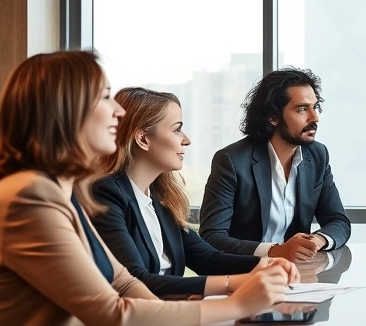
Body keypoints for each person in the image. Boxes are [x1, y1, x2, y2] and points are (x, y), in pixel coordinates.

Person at [0, 51, 298, 326]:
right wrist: (236, 305)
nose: (118, 112)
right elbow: (113, 315)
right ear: (65, 109)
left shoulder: (59, 191)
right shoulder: (28, 199)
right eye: (105, 97)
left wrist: (203, 315)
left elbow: (121, 280)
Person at [92, 87, 278, 299]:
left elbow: (205, 258)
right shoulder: (105, 194)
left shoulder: (161, 198)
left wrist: (268, 263)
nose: (186, 140)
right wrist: (230, 283)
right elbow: (134, 280)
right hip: (142, 324)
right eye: (177, 129)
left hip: (170, 316)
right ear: (143, 139)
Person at [199, 67, 351, 261]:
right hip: (245, 274)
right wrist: (274, 250)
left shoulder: (318, 155)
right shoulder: (232, 161)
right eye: (302, 109)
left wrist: (317, 240)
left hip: (296, 274)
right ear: (273, 117)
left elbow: (338, 221)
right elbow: (211, 237)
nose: (315, 118)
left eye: (315, 107)